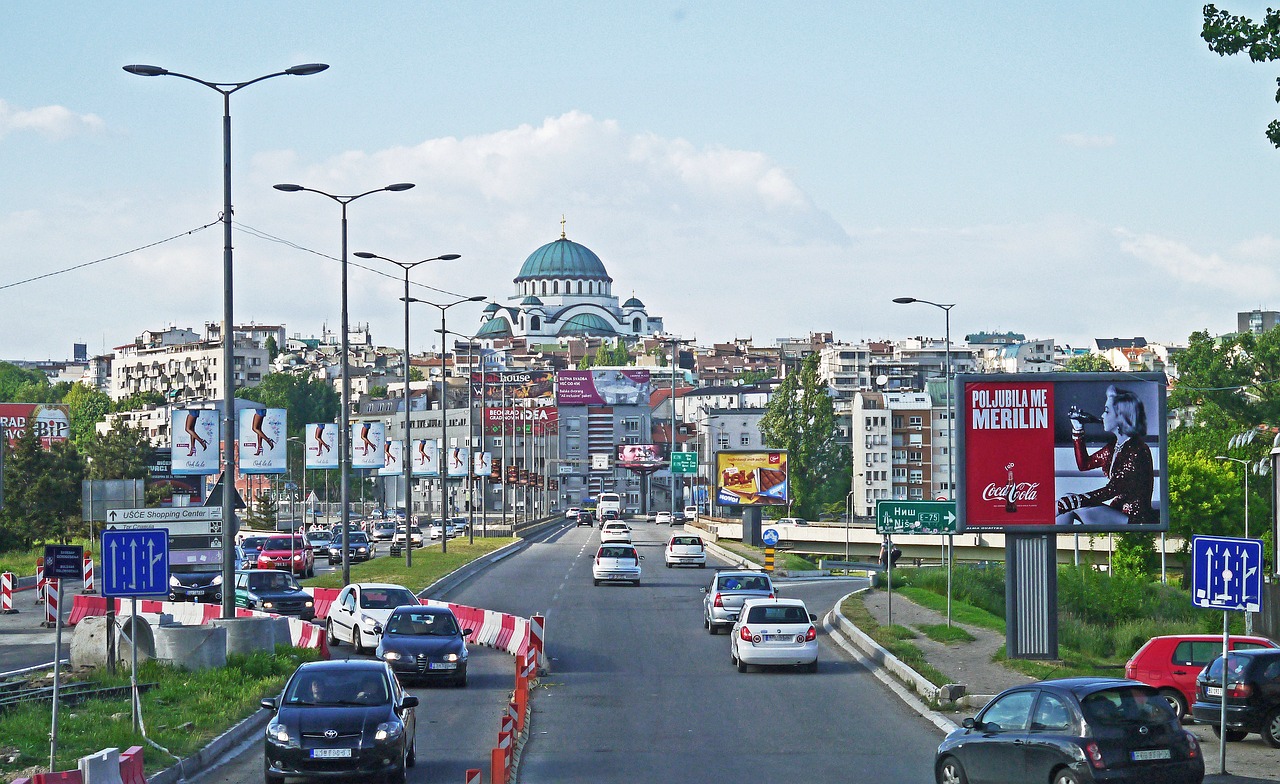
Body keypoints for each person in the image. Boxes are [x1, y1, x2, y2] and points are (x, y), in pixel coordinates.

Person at [1056, 385, 1156, 525]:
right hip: (1117, 512)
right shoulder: (1114, 447)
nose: (1102, 416)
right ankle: (1055, 541)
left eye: (1106, 411)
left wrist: (1070, 502)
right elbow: (1084, 464)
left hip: (1135, 519)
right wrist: (1078, 430)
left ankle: (1053, 541)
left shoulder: (1137, 451)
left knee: (1067, 505)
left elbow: (1111, 490)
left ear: (1121, 417)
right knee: (1067, 501)